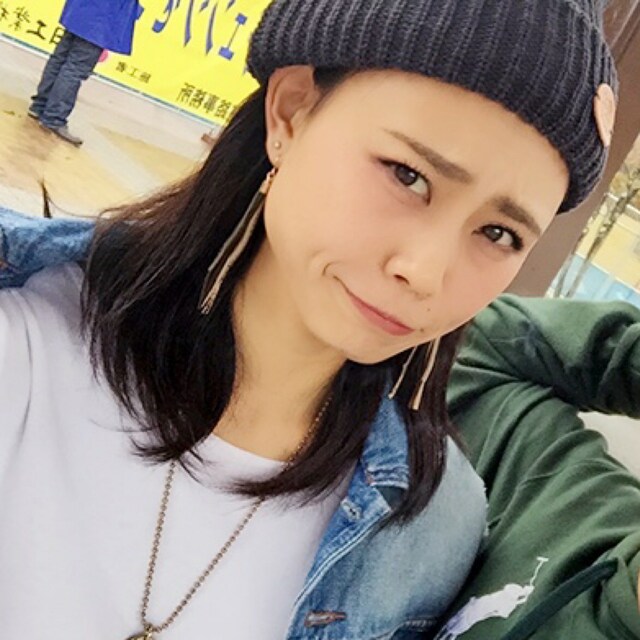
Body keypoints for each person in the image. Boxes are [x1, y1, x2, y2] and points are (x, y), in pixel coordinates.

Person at [0, 0, 624, 638]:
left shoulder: (427, 525)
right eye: (408, 176)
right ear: (291, 111)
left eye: (498, 233)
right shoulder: (24, 343)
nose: (425, 271)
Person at [29, 0, 140, 146]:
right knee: (75, 68)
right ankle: (54, 117)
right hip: (102, 18)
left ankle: (40, 105)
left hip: (81, 9)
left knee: (60, 58)